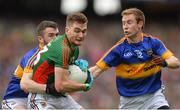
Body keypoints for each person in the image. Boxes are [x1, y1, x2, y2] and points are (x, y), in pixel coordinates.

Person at [89, 8, 180, 109]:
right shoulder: (118, 50)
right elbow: (96, 70)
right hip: (129, 104)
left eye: (129, 22)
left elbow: (175, 62)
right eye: (123, 23)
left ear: (140, 23)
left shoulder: (153, 43)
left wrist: (164, 62)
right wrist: (77, 79)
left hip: (153, 98)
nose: (125, 27)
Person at [26, 12, 93, 109]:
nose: (81, 35)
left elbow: (65, 76)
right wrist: (84, 86)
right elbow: (60, 85)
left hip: (59, 96)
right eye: (77, 31)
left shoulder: (74, 48)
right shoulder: (62, 48)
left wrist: (76, 66)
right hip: (42, 97)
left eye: (84, 31)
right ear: (67, 30)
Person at [2, 20, 60, 109]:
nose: (56, 38)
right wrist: (49, 88)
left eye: (57, 35)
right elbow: (25, 85)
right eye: (51, 35)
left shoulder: (59, 57)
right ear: (40, 39)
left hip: (40, 100)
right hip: (17, 99)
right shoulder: (33, 57)